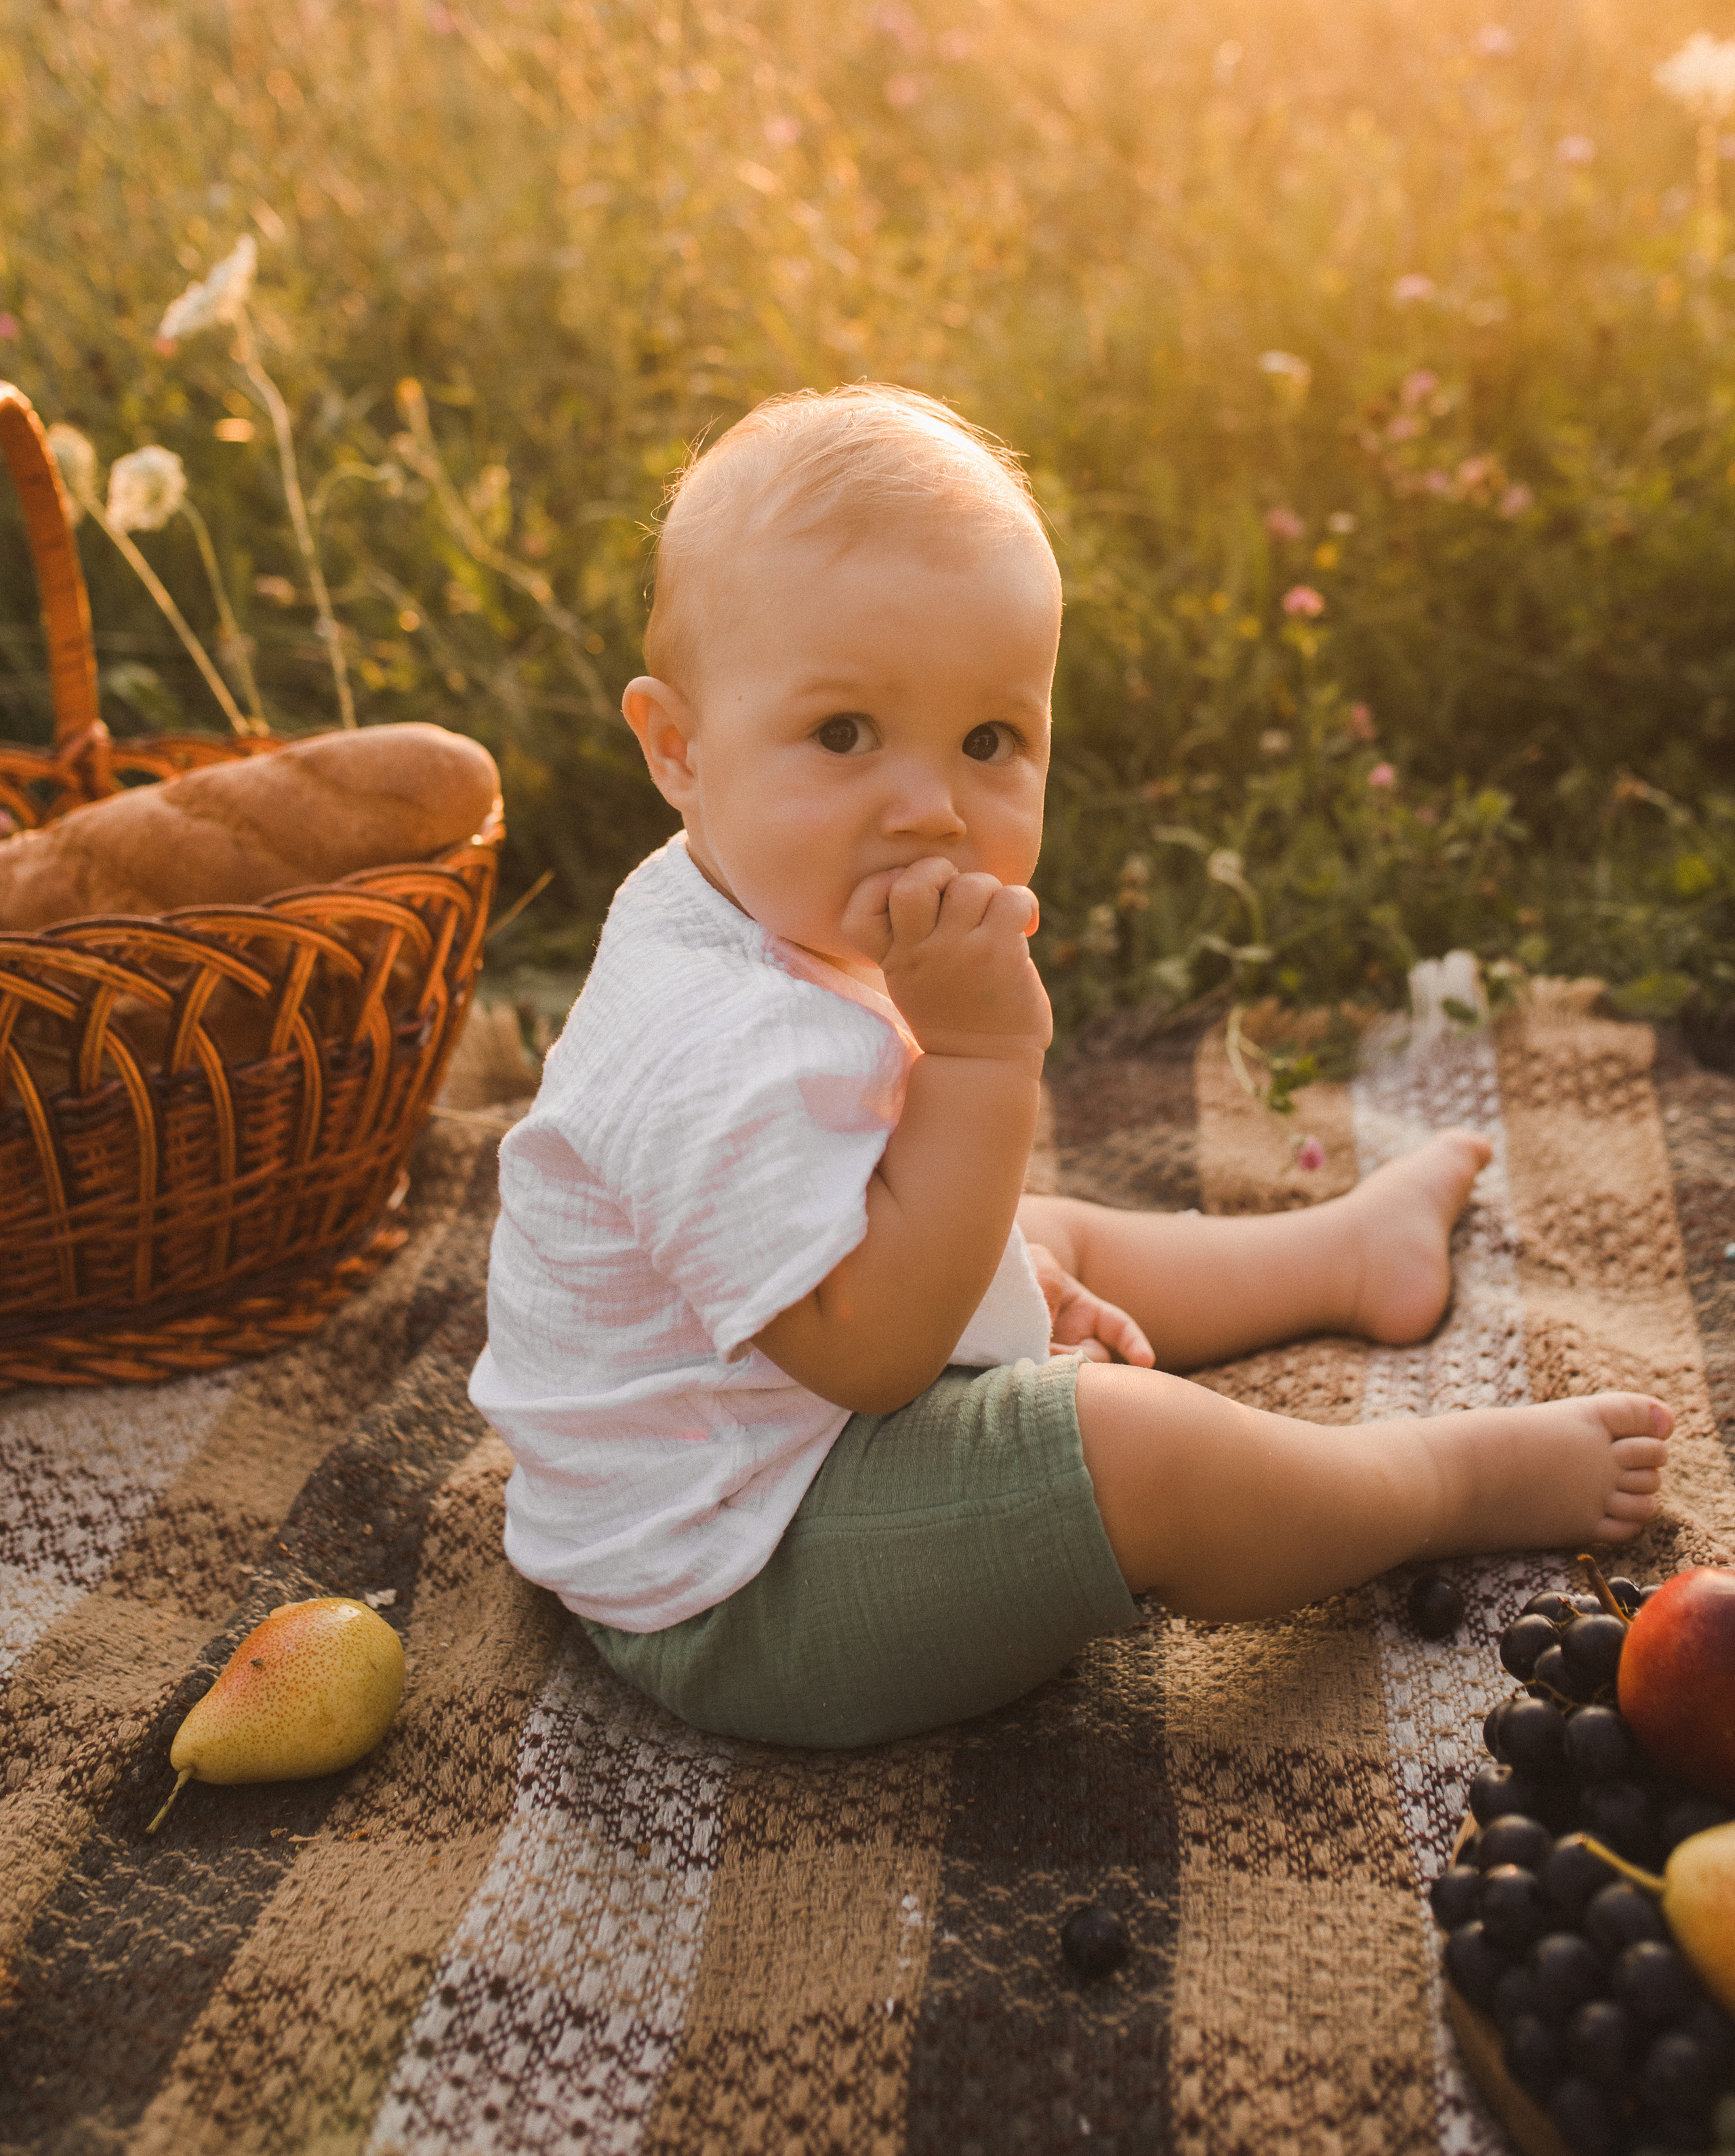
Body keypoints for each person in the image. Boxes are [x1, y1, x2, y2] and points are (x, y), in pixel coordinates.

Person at [468, 384, 1672, 1748]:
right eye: (844, 733)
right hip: (739, 1581)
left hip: (764, 1424)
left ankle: (1339, 1260)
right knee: (1125, 1447)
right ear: (676, 746)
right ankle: (1433, 1485)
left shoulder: (753, 896)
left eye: (989, 742)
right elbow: (866, 1357)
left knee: (1028, 1230)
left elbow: (863, 1228)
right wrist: (985, 1052)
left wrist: (1000, 1276)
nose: (928, 806)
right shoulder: (717, 1038)